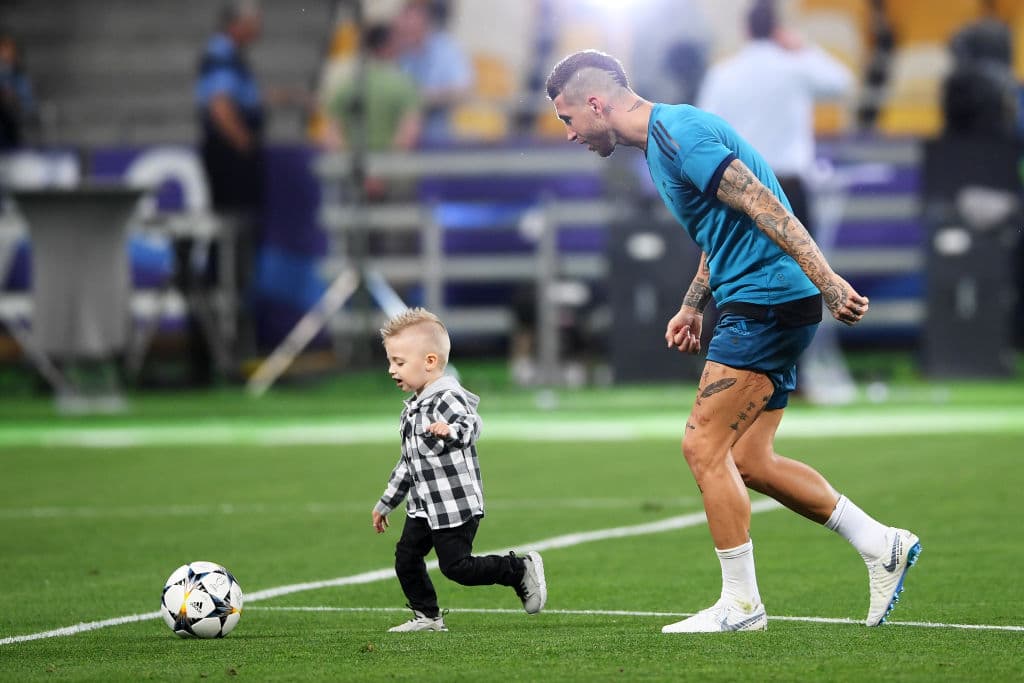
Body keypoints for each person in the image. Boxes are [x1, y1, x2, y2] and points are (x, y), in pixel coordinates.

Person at [545, 50, 920, 633]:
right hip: (763, 298)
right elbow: (720, 227)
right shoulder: (666, 139)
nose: (569, 134)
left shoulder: (679, 135)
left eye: (568, 119)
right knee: (749, 458)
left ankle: (742, 606)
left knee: (702, 447)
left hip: (767, 300)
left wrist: (827, 281)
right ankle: (882, 544)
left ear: (595, 104)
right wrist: (694, 303)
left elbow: (763, 204)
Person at [371, 307, 547, 632]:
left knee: (457, 568)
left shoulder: (447, 398)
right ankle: (428, 616)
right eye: (390, 362)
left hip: (454, 505)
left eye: (399, 362)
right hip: (423, 507)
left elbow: (472, 425)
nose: (391, 370)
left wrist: (450, 431)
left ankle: (518, 569)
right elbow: (408, 464)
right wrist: (386, 503)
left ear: (430, 362)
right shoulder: (412, 409)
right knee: (406, 558)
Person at [697, 0, 853, 238]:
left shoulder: (723, 74)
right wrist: (803, 48)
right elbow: (842, 83)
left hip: (741, 187)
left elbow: (704, 130)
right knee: (798, 271)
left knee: (744, 271)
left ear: (746, 30)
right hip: (787, 188)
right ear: (777, 29)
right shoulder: (795, 67)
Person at [193, 0, 267, 381]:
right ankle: (219, 345)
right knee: (230, 248)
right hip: (230, 165)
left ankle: (226, 342)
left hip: (230, 162)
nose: (259, 26)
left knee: (234, 251)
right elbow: (220, 105)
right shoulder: (221, 56)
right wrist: (244, 147)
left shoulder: (229, 56)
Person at [326, 22, 422, 200]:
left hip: (353, 175)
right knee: (394, 224)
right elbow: (408, 136)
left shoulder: (345, 86)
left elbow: (333, 136)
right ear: (390, 47)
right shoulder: (405, 86)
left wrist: (357, 172)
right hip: (392, 178)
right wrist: (381, 175)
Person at [392, 0, 474, 144]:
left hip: (433, 125)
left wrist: (424, 96)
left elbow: (463, 89)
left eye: (411, 20)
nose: (403, 24)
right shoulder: (395, 50)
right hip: (397, 124)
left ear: (425, 22)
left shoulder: (446, 49)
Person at [0, 32, 36, 150]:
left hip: (11, 130)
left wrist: (14, 100)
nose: (4, 54)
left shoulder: (20, 78)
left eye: (8, 50)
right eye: (2, 49)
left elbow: (28, 107)